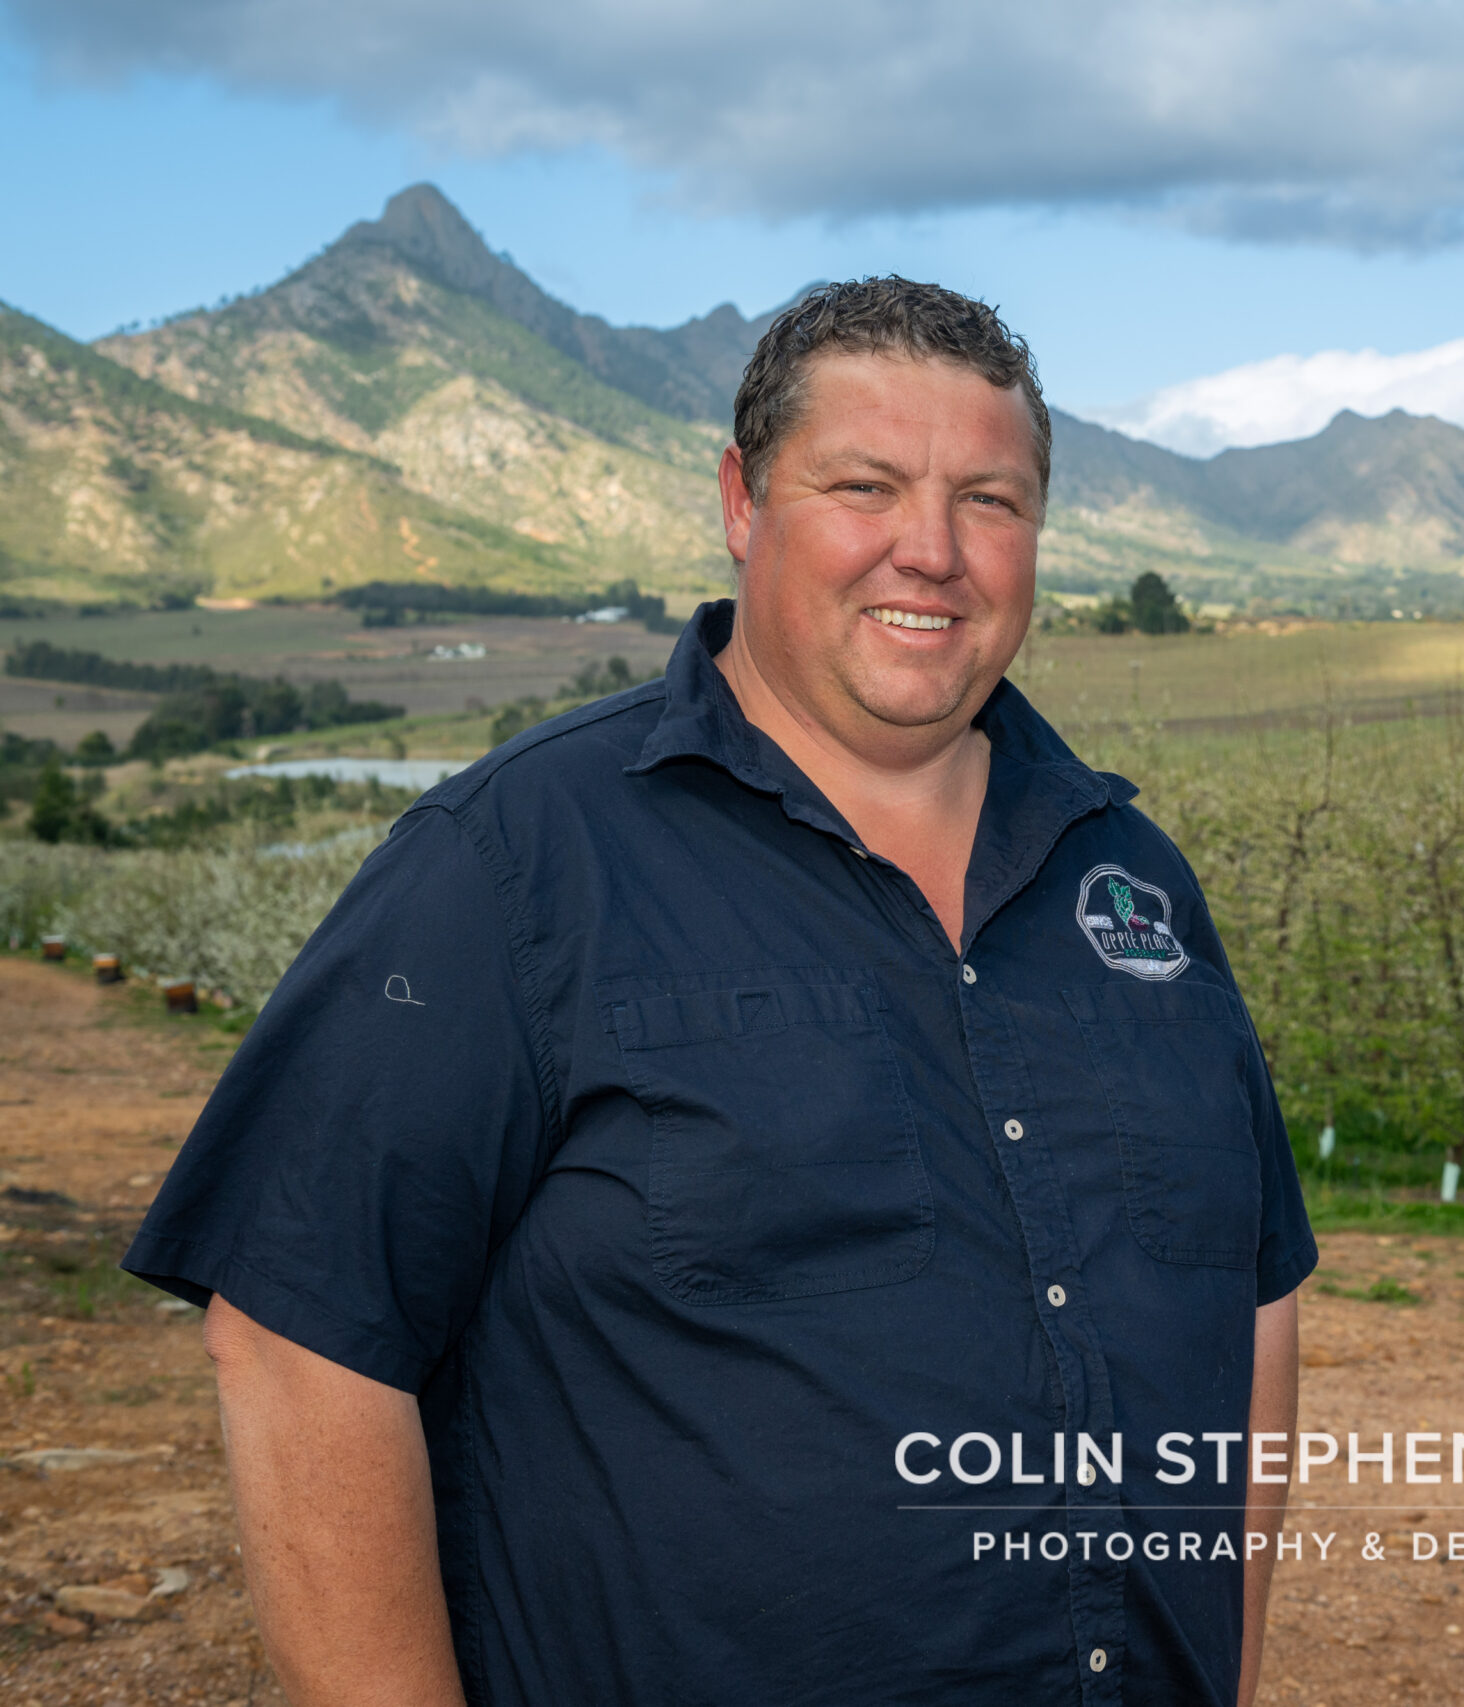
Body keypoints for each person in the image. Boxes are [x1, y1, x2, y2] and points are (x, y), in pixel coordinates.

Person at [125, 278, 1318, 1706]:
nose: (932, 551)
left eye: (989, 501)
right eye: (865, 486)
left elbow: (1254, 1303)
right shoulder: (512, 862)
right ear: (743, 504)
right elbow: (296, 1341)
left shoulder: (1131, 882)